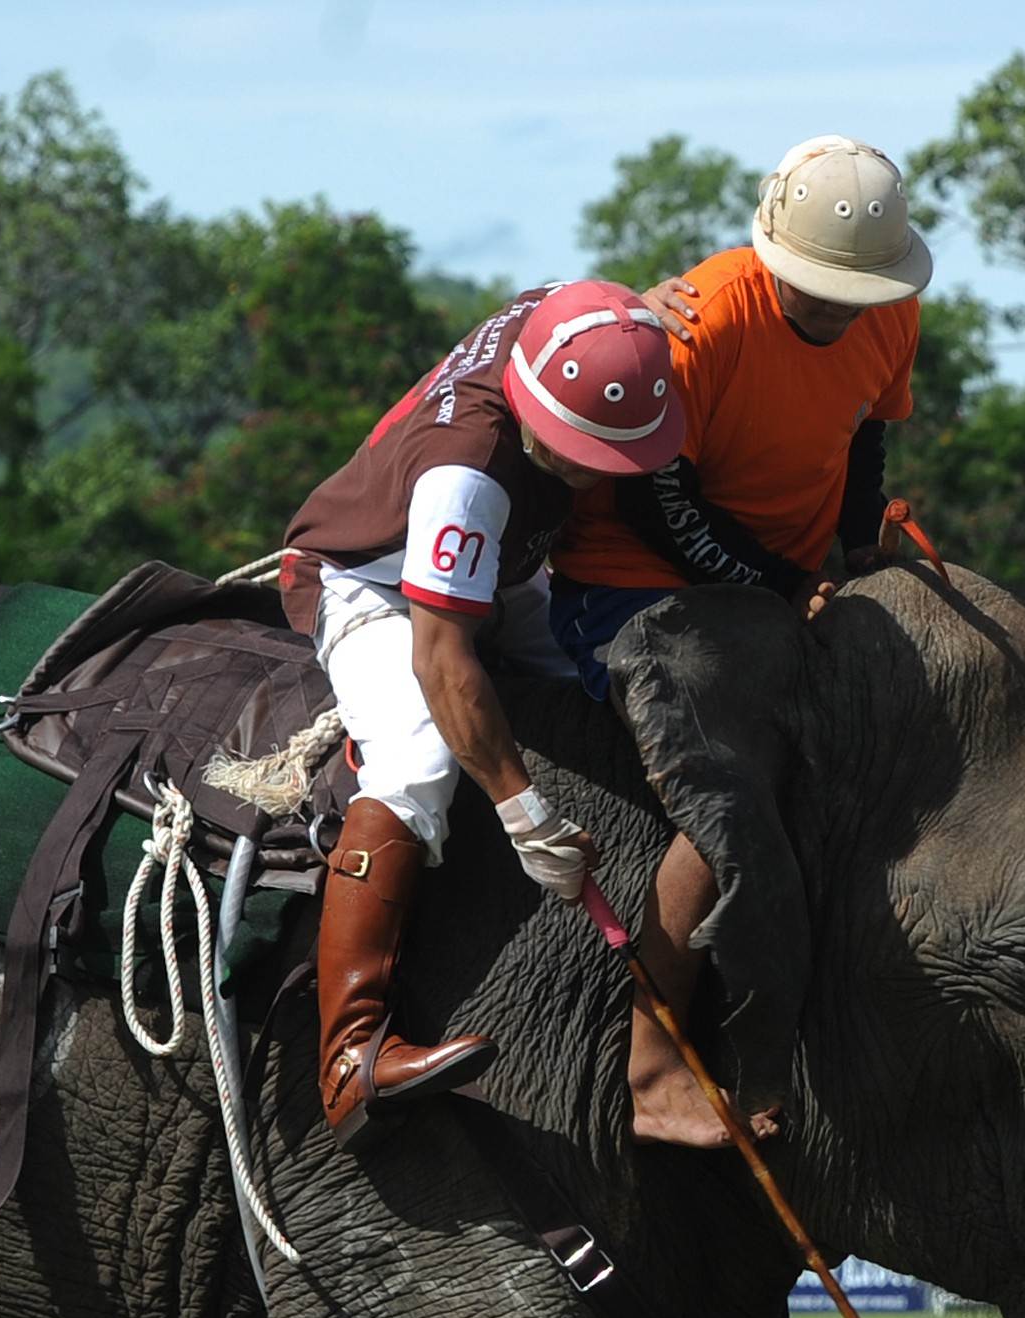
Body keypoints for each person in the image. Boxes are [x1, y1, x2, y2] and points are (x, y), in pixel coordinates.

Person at [545, 135, 930, 1142]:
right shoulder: (702, 323)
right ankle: (653, 1056)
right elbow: (650, 505)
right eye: (813, 287)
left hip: (778, 591)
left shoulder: (892, 314)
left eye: (856, 290)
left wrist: (853, 553)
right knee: (731, 796)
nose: (836, 307)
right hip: (636, 589)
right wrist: (779, 585)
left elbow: (863, 437)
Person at [281, 279, 690, 1142]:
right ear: (532, 402)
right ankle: (351, 1058)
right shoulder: (465, 476)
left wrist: (643, 322)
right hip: (373, 586)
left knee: (613, 680)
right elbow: (441, 656)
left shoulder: (565, 316)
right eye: (577, 452)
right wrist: (525, 812)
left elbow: (598, 326)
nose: (590, 472)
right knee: (420, 759)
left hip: (503, 569)